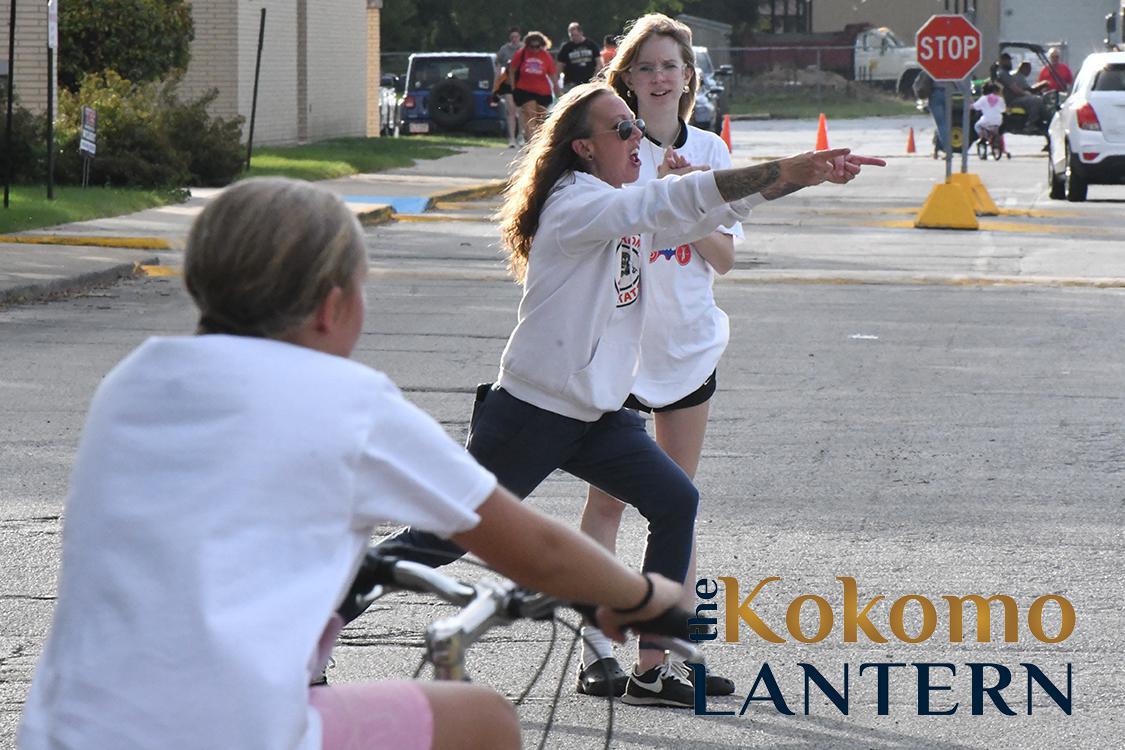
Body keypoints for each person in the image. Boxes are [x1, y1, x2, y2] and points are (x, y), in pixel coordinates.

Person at [16, 177, 690, 750]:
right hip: (232, 733)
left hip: (64, 730)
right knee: (485, 720)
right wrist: (640, 598)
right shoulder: (346, 402)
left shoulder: (135, 380)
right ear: (331, 306)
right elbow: (533, 546)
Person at [373, 82, 884, 708]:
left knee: (675, 500)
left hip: (599, 412)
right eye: (622, 130)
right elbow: (672, 202)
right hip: (533, 412)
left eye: (637, 126)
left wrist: (802, 177)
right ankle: (331, 601)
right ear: (584, 148)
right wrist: (782, 167)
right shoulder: (577, 202)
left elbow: (705, 214)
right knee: (443, 540)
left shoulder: (621, 195)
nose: (637, 137)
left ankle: (652, 668)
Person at [576, 12, 741, 701]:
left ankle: (660, 659)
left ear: (687, 77)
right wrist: (652, 190)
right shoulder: (612, 151)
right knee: (606, 503)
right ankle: (595, 652)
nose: (658, 77)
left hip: (685, 348)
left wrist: (688, 198)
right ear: (626, 79)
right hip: (617, 353)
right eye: (645, 66)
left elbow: (725, 257)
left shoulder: (711, 150)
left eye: (670, 65)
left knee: (677, 504)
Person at [509, 31, 561, 143]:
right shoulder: (521, 53)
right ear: (527, 45)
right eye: (531, 46)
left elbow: (552, 75)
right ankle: (531, 143)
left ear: (542, 45)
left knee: (541, 119)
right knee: (530, 114)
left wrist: (557, 91)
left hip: (543, 91)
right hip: (525, 89)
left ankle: (537, 140)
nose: (534, 49)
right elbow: (512, 70)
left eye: (537, 46)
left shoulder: (545, 56)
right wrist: (513, 88)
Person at [995, 52, 1042, 127]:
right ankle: (1031, 124)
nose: (1010, 63)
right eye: (1008, 60)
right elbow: (1015, 89)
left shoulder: (1005, 74)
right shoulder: (1003, 74)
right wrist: (1026, 93)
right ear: (1002, 61)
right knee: (1036, 100)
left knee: (1032, 99)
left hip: (1014, 99)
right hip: (1011, 101)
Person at [496, 27, 523, 148]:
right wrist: (497, 81)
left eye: (516, 37)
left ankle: (521, 136)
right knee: (510, 110)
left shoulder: (524, 49)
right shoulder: (504, 49)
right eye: (512, 37)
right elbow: (498, 64)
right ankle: (511, 138)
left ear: (520, 37)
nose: (514, 39)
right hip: (508, 83)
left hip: (522, 83)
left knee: (521, 110)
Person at [556, 21, 603, 91]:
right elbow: (560, 66)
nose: (574, 37)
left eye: (576, 35)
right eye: (572, 35)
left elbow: (599, 63)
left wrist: (594, 79)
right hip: (571, 83)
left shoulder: (591, 45)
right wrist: (556, 83)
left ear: (581, 33)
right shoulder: (566, 48)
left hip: (588, 82)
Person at [913, 69, 950, 158]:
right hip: (949, 93)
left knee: (941, 124)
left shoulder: (934, 64)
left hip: (935, 93)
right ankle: (937, 149)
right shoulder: (950, 64)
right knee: (944, 124)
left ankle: (947, 150)